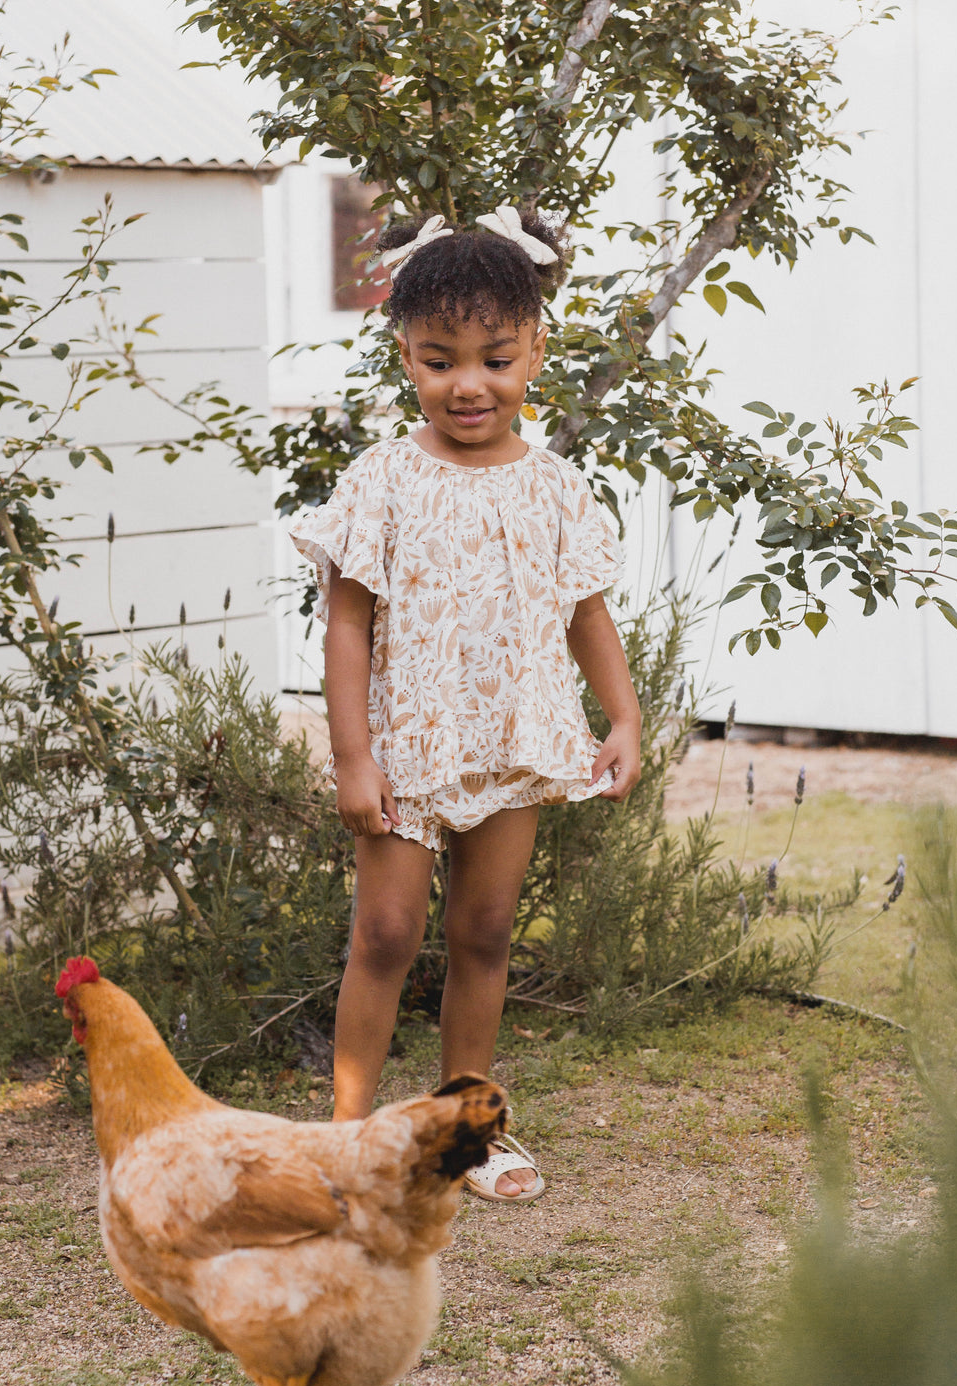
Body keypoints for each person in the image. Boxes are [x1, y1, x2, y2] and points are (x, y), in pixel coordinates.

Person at [292, 203, 641, 1201]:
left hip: (514, 742)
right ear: (404, 353)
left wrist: (622, 717)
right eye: (439, 359)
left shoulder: (558, 488)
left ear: (534, 347)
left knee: (485, 931)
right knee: (388, 932)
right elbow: (348, 626)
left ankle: (468, 1128)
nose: (468, 384)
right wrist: (355, 758)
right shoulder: (384, 482)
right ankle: (347, 1141)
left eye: (492, 357)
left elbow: (585, 612)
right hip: (408, 747)